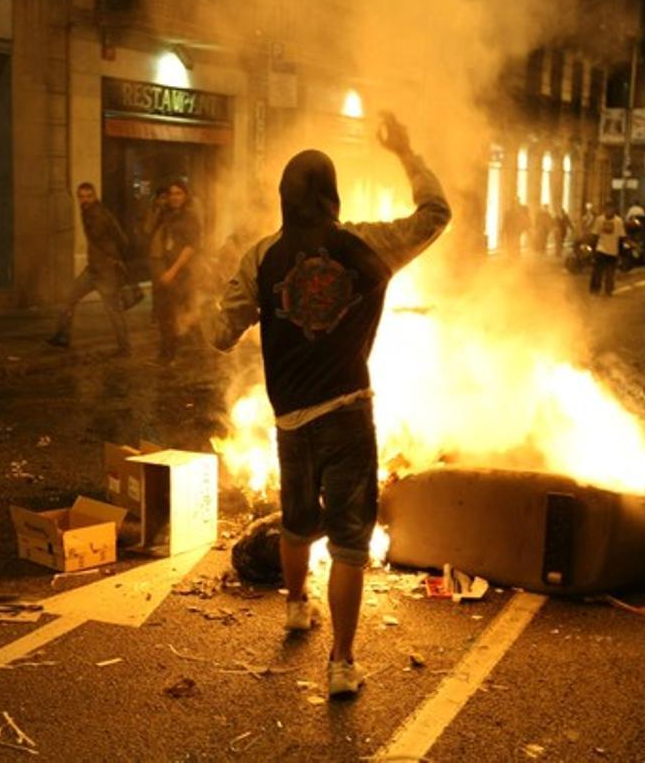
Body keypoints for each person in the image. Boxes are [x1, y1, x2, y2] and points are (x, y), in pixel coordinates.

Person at [207, 112, 450, 698]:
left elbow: (219, 333)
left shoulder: (262, 256)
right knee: (347, 542)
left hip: (290, 419)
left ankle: (295, 609)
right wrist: (409, 152)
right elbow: (435, 215)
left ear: (285, 199)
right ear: (330, 194)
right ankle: (341, 663)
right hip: (346, 414)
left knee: (295, 521)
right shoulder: (365, 244)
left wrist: (212, 303)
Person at [47, 183, 132, 352]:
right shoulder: (88, 213)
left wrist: (114, 259)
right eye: (81, 196)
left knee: (112, 309)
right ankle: (63, 336)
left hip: (105, 272)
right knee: (70, 298)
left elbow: (121, 240)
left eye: (88, 196)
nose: (84, 200)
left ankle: (125, 347)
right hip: (93, 269)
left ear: (95, 197)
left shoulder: (99, 215)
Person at [150, 180, 201, 362]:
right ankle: (170, 352)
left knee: (174, 315)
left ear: (185, 196)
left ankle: (169, 354)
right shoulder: (166, 214)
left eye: (178, 193)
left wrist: (173, 271)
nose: (174, 197)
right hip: (165, 268)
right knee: (167, 314)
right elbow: (149, 232)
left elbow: (190, 247)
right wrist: (157, 208)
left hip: (181, 271)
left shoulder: (189, 217)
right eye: (171, 194)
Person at [590, 203, 625, 296]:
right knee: (597, 272)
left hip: (613, 251)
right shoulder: (599, 219)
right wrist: (593, 250)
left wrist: (620, 253)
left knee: (610, 273)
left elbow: (621, 238)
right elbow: (595, 235)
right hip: (601, 249)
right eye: (607, 209)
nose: (609, 211)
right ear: (604, 209)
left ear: (614, 209)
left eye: (611, 208)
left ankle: (608, 290)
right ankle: (595, 289)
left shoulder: (619, 221)